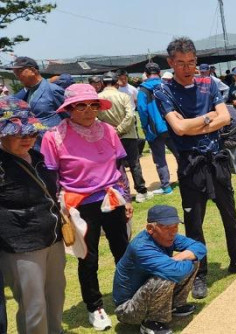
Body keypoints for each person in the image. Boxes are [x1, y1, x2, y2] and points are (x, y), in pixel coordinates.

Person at [153, 37, 236, 301]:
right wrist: (207, 119)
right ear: (170, 63)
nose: (187, 68)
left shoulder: (208, 83)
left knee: (230, 214)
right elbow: (178, 129)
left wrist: (194, 123)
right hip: (191, 165)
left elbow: (225, 118)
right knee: (194, 222)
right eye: (181, 63)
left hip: (216, 160)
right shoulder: (162, 91)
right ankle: (199, 272)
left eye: (191, 62)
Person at [40, 84, 133, 331]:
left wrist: (127, 197)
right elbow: (51, 177)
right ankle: (95, 307)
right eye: (81, 105)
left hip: (112, 198)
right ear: (69, 108)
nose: (88, 110)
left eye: (93, 105)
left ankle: (127, 295)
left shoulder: (109, 131)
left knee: (123, 251)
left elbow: (119, 166)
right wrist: (58, 212)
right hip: (79, 205)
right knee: (88, 258)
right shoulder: (54, 136)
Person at [0, 97, 66, 334]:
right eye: (19, 133)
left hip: (52, 239)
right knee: (33, 307)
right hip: (21, 246)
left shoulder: (37, 157)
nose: (28, 138)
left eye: (31, 132)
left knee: (56, 297)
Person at [113, 205, 206, 334]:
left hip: (145, 294)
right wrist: (184, 260)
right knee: (166, 276)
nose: (173, 232)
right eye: (167, 227)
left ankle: (175, 306)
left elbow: (200, 247)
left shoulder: (169, 237)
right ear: (150, 229)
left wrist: (181, 256)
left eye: (175, 226)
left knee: (191, 259)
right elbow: (176, 273)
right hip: (128, 310)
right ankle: (151, 322)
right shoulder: (141, 248)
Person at [98, 71, 153, 203]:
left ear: (103, 83)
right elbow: (131, 116)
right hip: (128, 135)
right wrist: (120, 129)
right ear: (116, 83)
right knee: (134, 164)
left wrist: (112, 131)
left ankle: (121, 192)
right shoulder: (123, 96)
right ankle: (141, 192)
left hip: (108, 137)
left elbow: (96, 119)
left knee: (116, 165)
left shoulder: (98, 98)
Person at [137, 62, 179, 196]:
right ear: (159, 72)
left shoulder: (143, 90)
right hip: (172, 125)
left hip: (154, 130)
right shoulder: (166, 85)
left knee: (160, 159)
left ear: (146, 74)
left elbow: (142, 111)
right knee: (179, 153)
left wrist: (145, 127)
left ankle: (166, 187)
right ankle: (186, 178)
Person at [6, 57, 65, 143]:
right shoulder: (27, 92)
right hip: (35, 144)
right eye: (15, 74)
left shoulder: (53, 90)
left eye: (19, 72)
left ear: (33, 70)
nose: (17, 77)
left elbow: (69, 116)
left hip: (55, 143)